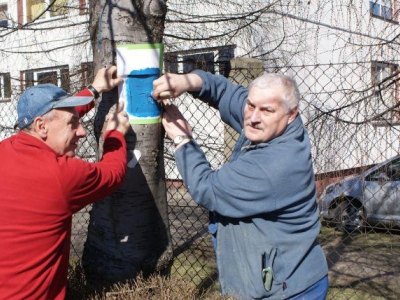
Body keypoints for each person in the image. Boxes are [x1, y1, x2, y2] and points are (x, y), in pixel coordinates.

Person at [153, 70, 329, 299]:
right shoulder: (275, 126)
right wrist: (187, 81)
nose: (253, 117)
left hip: (288, 291)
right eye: (251, 105)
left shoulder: (272, 166)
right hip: (286, 276)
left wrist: (182, 139)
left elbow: (208, 189)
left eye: (267, 110)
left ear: (291, 114)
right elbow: (226, 92)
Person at [0, 66, 130, 299]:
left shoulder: (6, 150)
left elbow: (57, 116)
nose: (81, 132)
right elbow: (113, 174)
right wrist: (114, 134)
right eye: (74, 123)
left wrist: (95, 89)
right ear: (41, 127)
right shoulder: (62, 175)